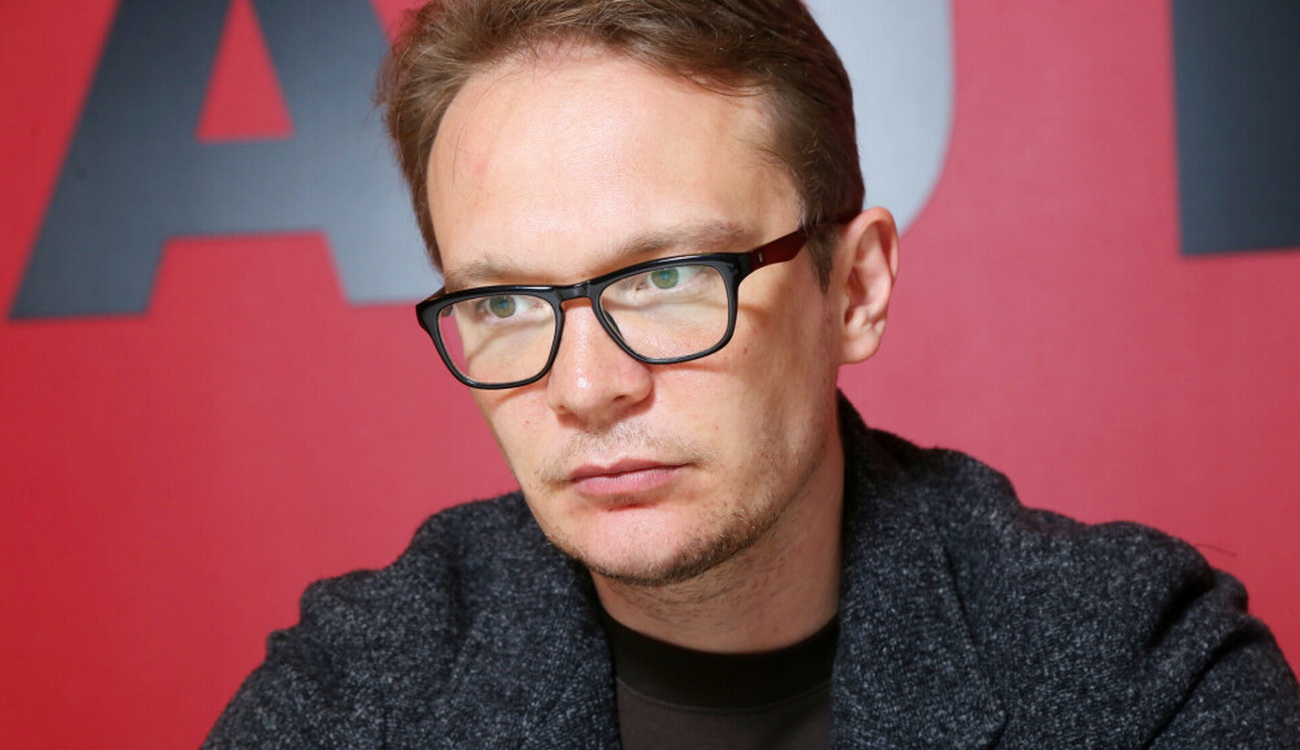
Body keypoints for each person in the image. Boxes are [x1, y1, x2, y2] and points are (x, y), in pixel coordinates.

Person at [204, 1, 1300, 747]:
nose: (584, 389)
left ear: (854, 289)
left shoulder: (1136, 673)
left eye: (666, 278)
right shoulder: (353, 699)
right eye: (502, 302)